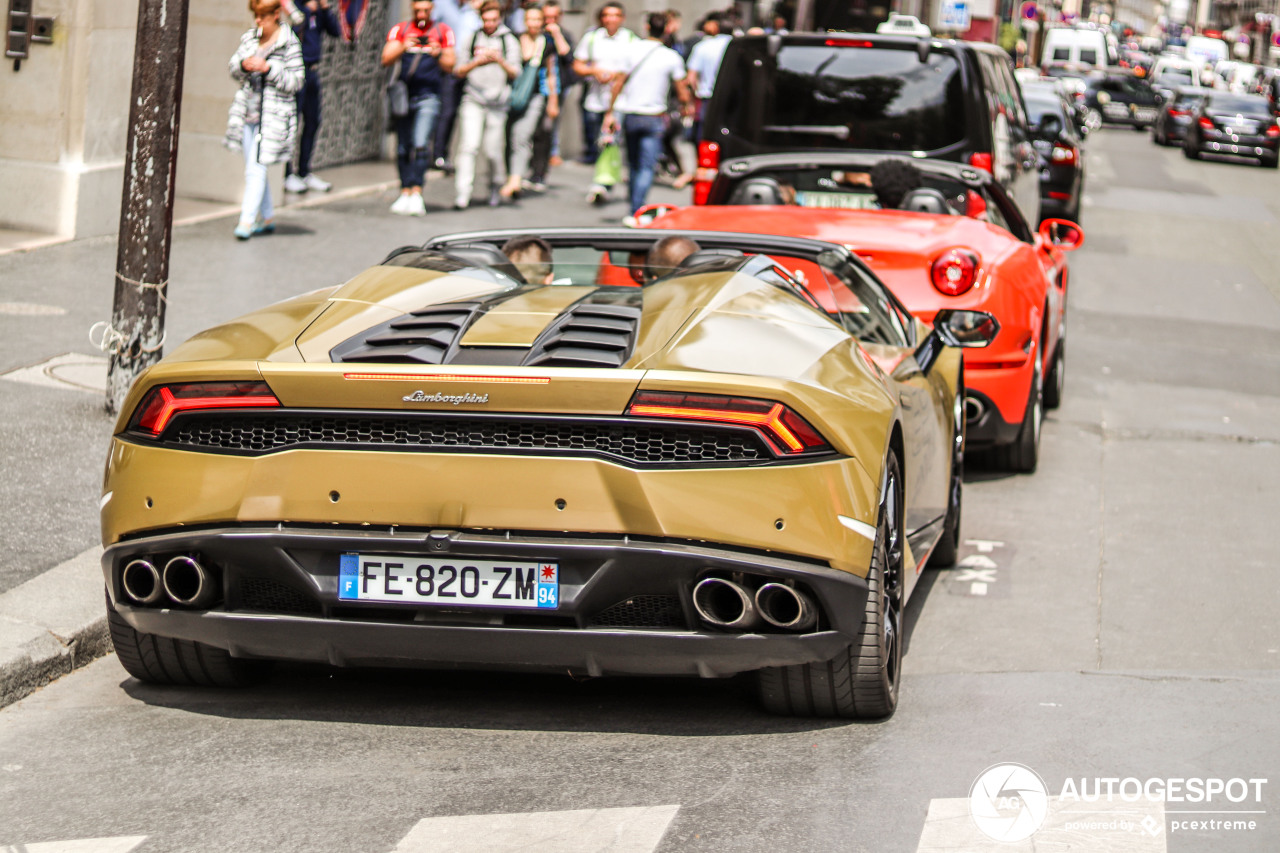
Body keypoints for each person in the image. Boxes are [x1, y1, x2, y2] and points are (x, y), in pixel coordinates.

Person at [225, 0, 305, 240]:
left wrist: (269, 69)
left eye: (262, 16)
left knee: (255, 169)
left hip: (273, 117)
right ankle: (268, 216)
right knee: (255, 166)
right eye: (256, 16)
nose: (258, 21)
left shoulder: (289, 43)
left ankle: (246, 220)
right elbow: (232, 67)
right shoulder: (251, 38)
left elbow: (297, 81)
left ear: (275, 14)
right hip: (248, 113)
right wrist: (244, 65)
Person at [603, 12, 692, 225]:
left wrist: (610, 112)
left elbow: (618, 83)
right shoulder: (671, 56)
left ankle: (633, 206)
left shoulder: (632, 50)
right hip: (654, 116)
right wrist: (686, 107)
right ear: (667, 29)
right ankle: (637, 208)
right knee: (646, 166)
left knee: (633, 164)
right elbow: (682, 91)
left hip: (631, 114)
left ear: (646, 27)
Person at [382, 0, 456, 216]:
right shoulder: (401, 29)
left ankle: (417, 192)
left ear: (432, 10)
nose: (422, 14)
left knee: (421, 143)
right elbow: (385, 58)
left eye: (426, 10)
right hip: (404, 95)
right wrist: (404, 46)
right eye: (417, 11)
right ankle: (404, 190)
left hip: (429, 96)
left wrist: (437, 52)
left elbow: (451, 64)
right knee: (403, 145)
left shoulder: (442, 31)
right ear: (412, 9)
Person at [453, 0, 520, 209]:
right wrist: (477, 61)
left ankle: (494, 187)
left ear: (499, 18)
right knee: (469, 146)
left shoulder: (509, 40)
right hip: (473, 98)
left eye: (494, 19)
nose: (490, 23)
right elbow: (458, 70)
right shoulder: (472, 37)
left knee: (492, 150)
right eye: (486, 19)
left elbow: (516, 72)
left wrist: (499, 60)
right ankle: (462, 193)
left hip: (498, 102)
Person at [282, 0, 341, 194]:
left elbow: (335, 31)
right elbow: (294, 29)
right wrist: (306, 11)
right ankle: (287, 173)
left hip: (313, 72)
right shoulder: (295, 6)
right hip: (296, 69)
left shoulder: (319, 9)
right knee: (292, 122)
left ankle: (304, 171)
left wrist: (325, 8)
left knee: (313, 121)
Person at [502, 4, 559, 199]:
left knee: (522, 135)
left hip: (535, 96)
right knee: (508, 136)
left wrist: (553, 100)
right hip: (510, 95)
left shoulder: (547, 43)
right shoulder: (513, 40)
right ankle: (509, 174)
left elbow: (553, 74)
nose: (533, 23)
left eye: (537, 19)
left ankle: (515, 179)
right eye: (530, 19)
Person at [572, 2, 638, 171]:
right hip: (595, 98)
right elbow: (577, 65)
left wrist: (617, 75)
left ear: (622, 18)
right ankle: (600, 172)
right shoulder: (592, 37)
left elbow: (635, 68)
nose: (611, 19)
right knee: (595, 139)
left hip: (620, 99)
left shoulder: (630, 39)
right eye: (607, 15)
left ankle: (604, 179)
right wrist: (594, 71)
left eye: (615, 15)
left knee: (611, 140)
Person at [535, 0, 574, 176]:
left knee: (551, 123)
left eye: (554, 17)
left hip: (559, 86)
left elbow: (569, 58)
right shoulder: (536, 34)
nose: (550, 21)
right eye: (547, 17)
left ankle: (552, 153)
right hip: (537, 87)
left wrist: (557, 35)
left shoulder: (564, 34)